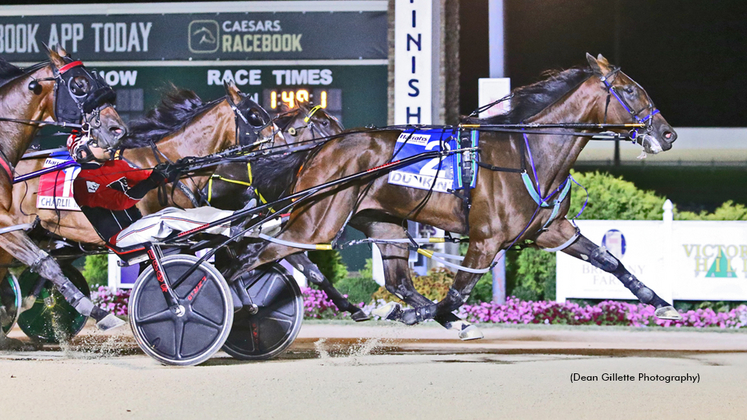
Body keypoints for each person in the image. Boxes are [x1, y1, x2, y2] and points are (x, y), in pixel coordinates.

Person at [70, 132, 267, 250]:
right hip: (120, 237)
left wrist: (175, 170)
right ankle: (231, 226)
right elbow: (121, 202)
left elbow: (147, 178)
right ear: (82, 152)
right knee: (167, 217)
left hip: (138, 226)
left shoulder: (114, 166)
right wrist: (152, 181)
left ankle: (241, 221)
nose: (105, 144)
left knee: (191, 213)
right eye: (96, 142)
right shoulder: (83, 182)